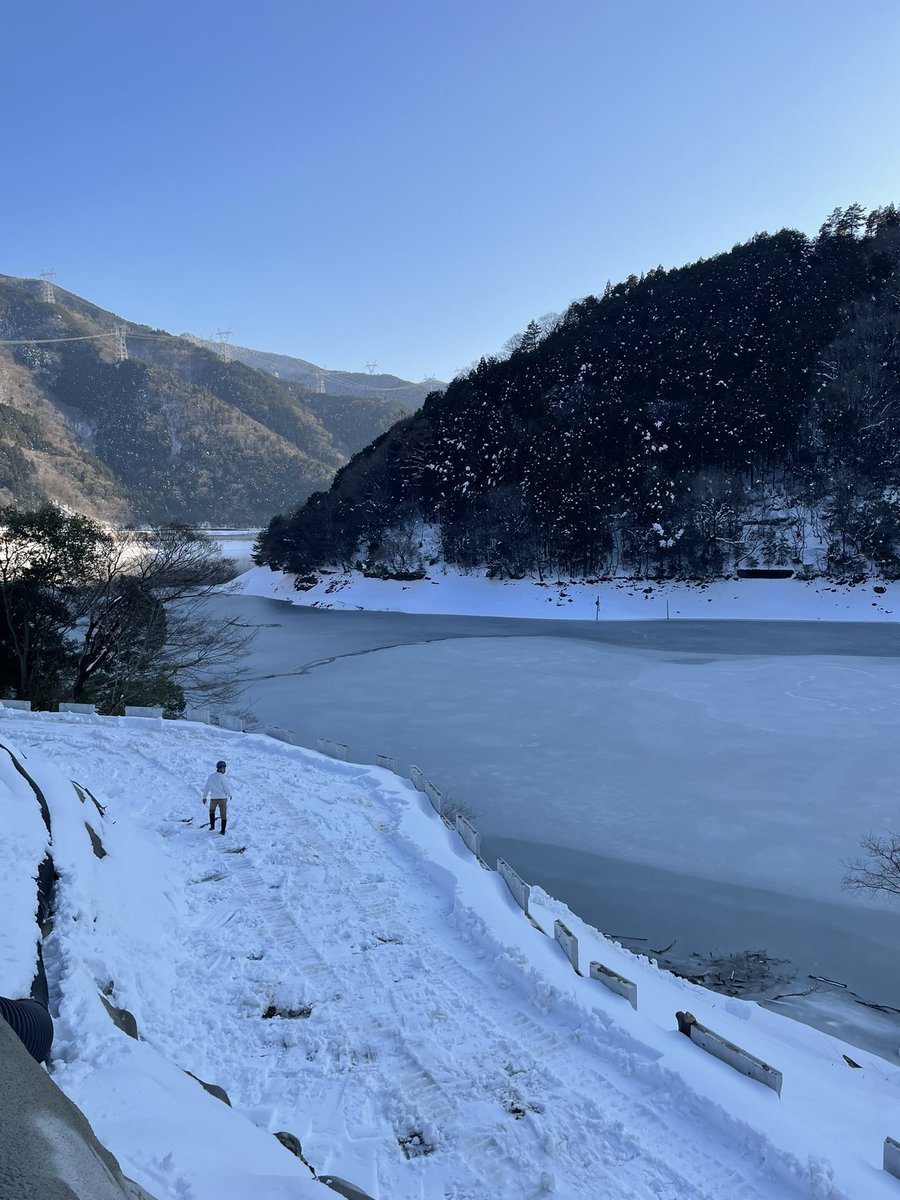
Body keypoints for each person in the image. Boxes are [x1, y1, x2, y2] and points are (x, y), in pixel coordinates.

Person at [202, 760, 232, 834]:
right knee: (223, 815)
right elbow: (226, 787)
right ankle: (222, 831)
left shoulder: (211, 777)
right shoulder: (222, 777)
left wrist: (204, 797)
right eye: (223, 768)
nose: (224, 769)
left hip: (213, 799)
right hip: (222, 799)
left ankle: (212, 826)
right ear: (219, 768)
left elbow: (207, 787)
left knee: (211, 811)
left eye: (225, 768)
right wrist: (229, 794)